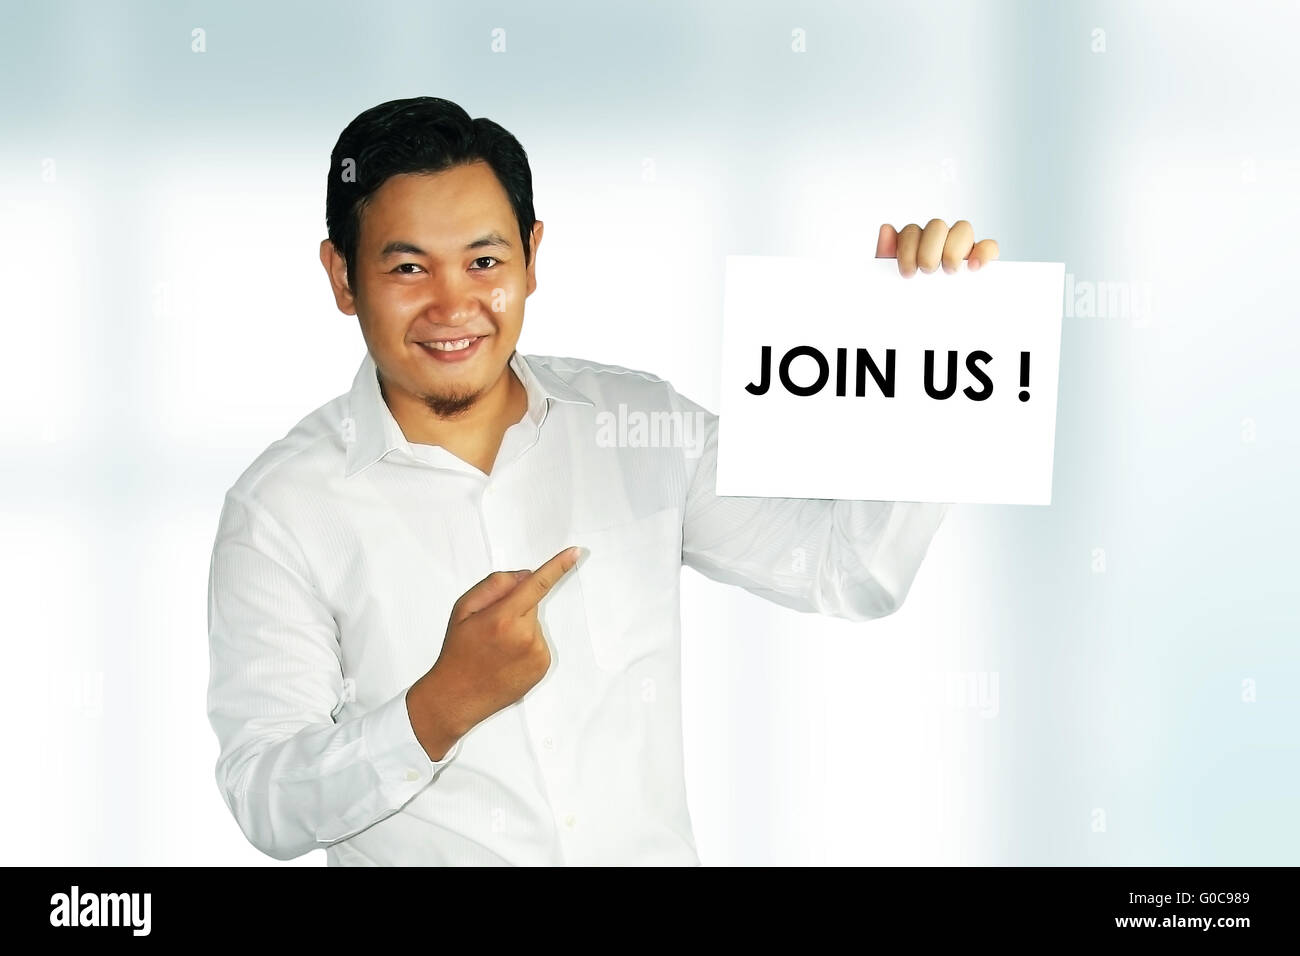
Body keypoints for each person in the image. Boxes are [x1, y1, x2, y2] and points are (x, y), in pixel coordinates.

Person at [205, 96, 1000, 866]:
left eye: (485, 261)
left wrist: (925, 355)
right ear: (342, 277)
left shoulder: (643, 427)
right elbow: (266, 800)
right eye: (408, 267)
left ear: (532, 257)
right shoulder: (282, 508)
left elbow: (849, 569)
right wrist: (439, 706)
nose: (454, 305)